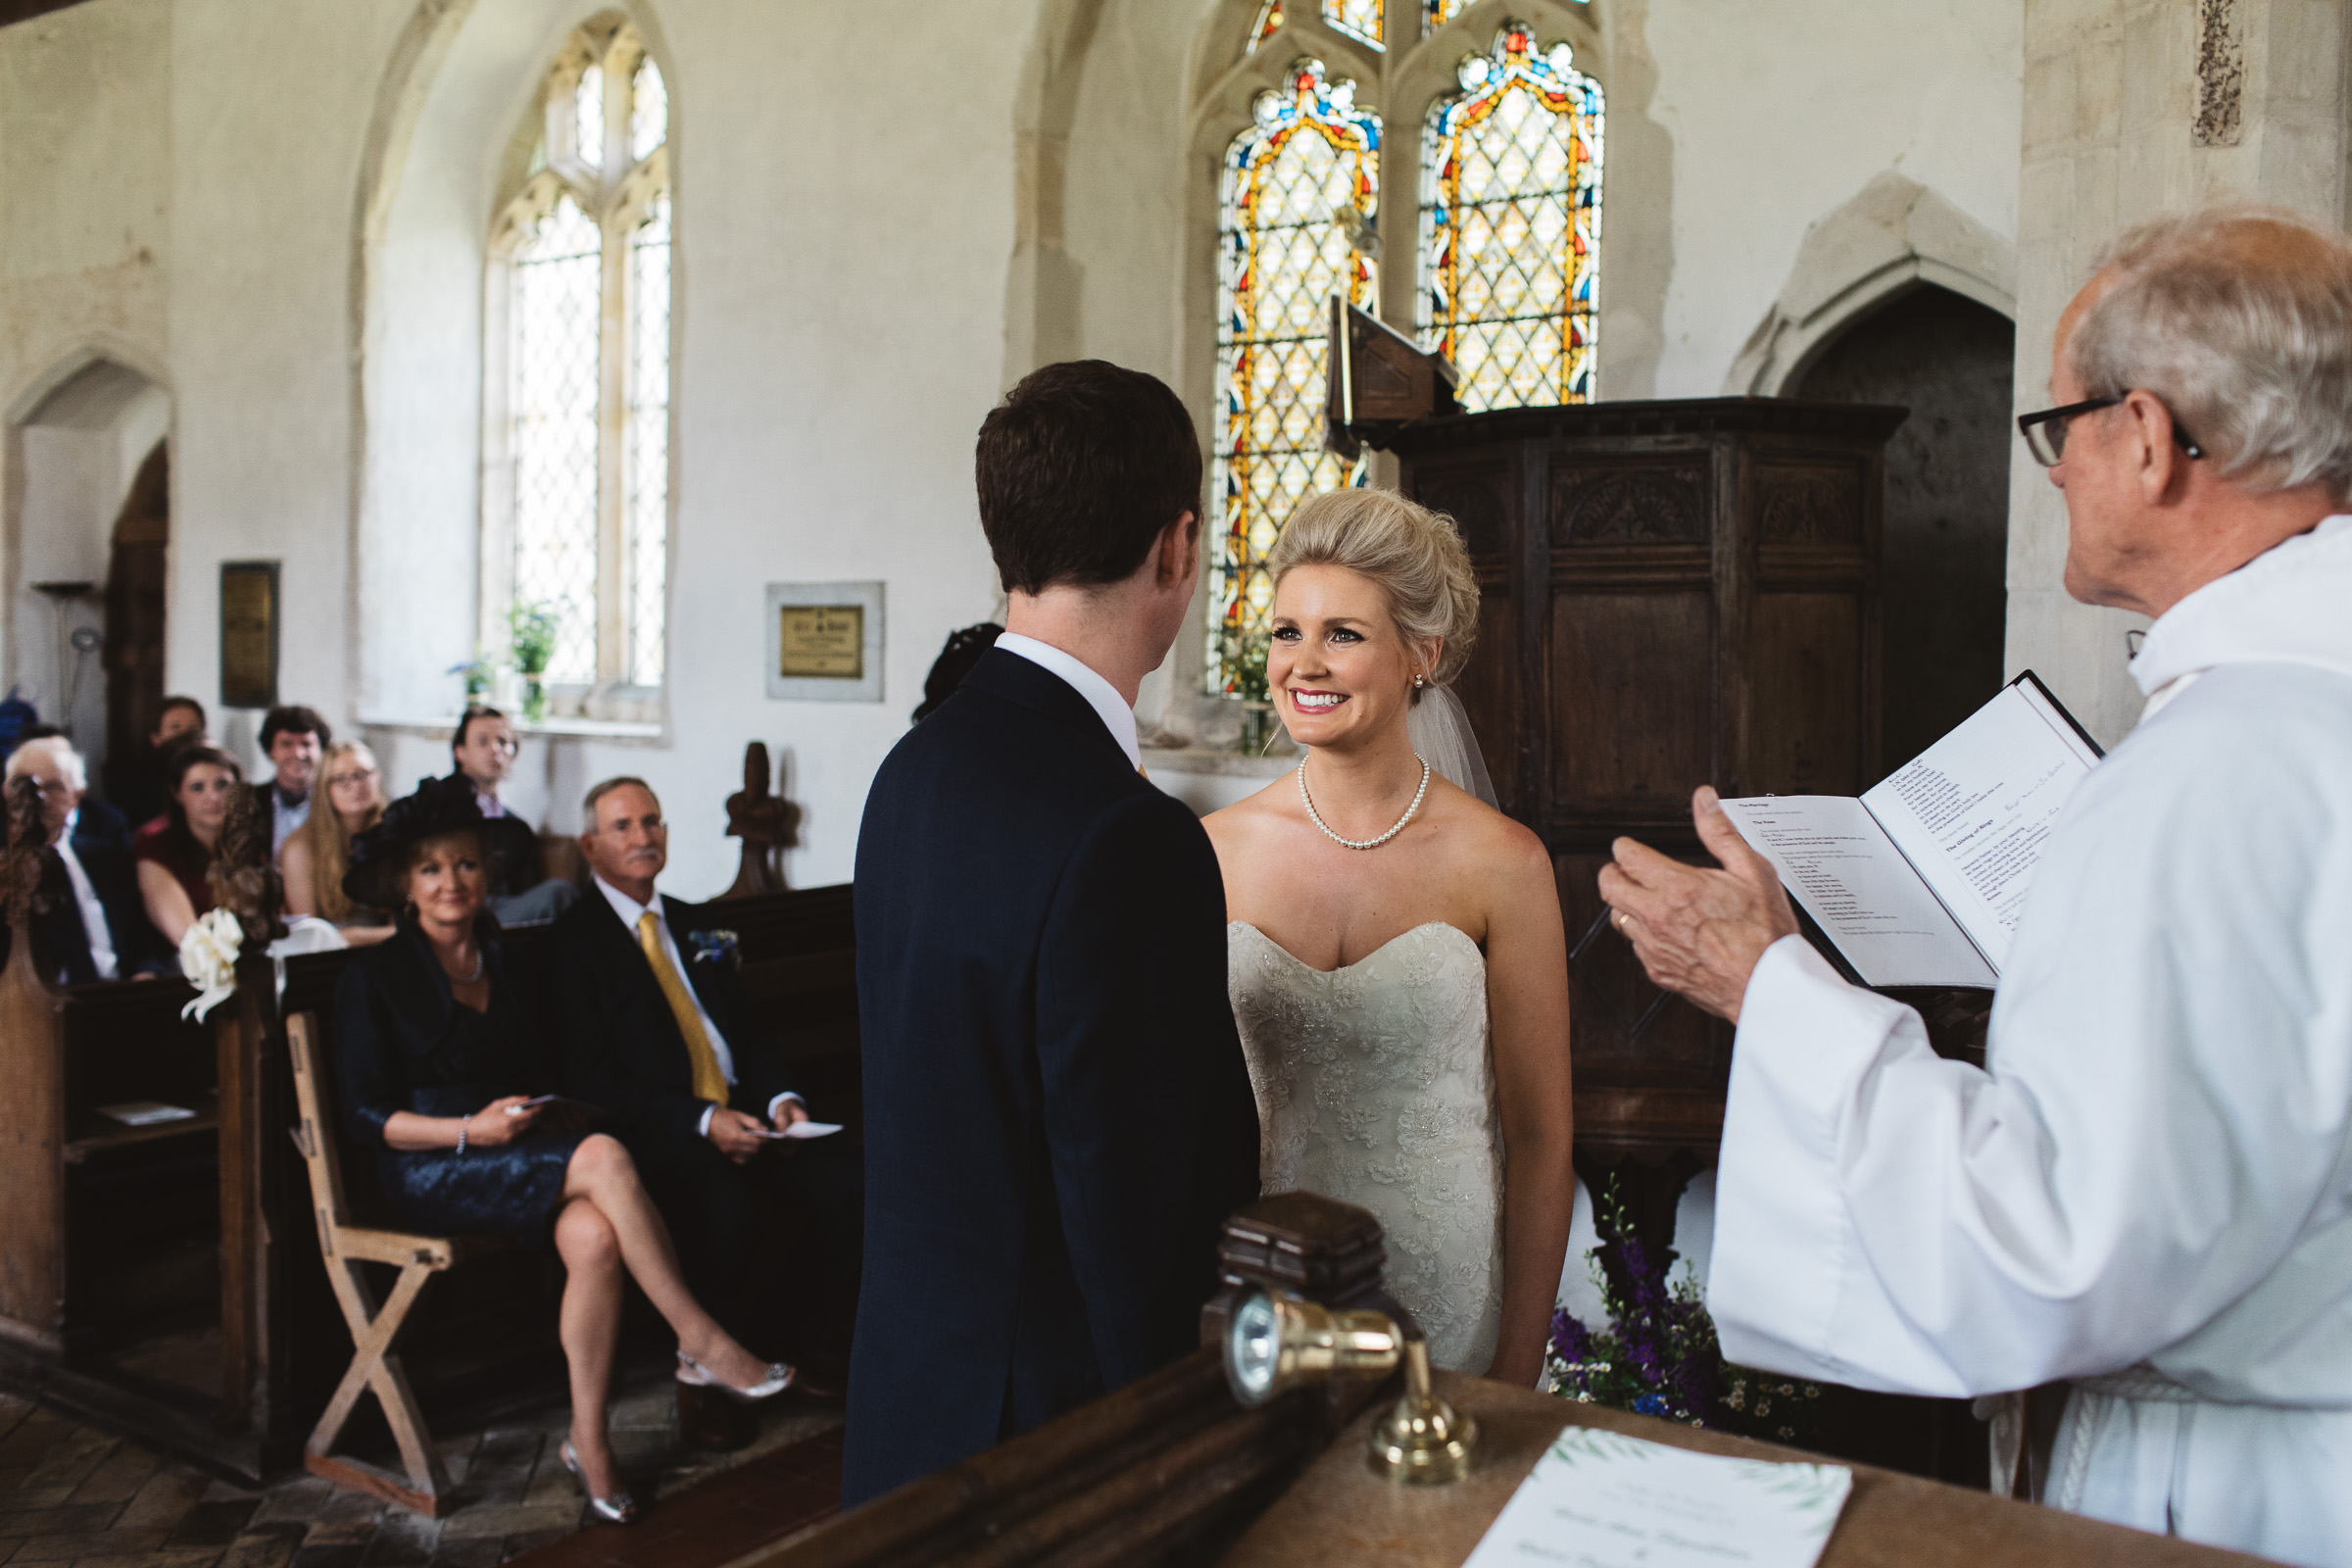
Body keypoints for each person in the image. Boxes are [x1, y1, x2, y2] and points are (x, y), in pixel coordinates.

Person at [1598, 205, 2352, 1566]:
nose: (2056, 469)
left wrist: (1768, 981)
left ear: (2150, 435)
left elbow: (2051, 1248)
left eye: (2061, 425)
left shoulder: (2217, 772)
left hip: (2246, 1495)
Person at [845, 361, 1260, 1505]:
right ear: (1175, 549)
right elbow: (1141, 1213)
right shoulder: (1126, 834)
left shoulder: (911, 769)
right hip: (1055, 1443)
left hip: (907, 1406)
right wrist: (1186, 1453)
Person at [331, 776, 794, 1524]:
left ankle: (589, 1442)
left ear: (486, 876)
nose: (452, 882)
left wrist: (533, 1114)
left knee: (594, 1233)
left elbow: (543, 1069)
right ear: (403, 888)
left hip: (511, 1152)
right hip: (427, 1164)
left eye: (466, 865)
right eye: (431, 870)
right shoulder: (372, 979)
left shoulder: (505, 960)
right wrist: (466, 1132)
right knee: (607, 1157)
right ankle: (700, 1337)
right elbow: (361, 1116)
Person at [1203, 489, 1574, 1383]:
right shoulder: (1212, 853)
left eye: (1343, 634)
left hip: (1447, 1298)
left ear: (1422, 654)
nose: (1304, 663)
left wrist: (1520, 1364)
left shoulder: (1504, 866)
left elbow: (1539, 1137)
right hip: (1266, 1292)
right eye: (1287, 632)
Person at [548, 777, 863, 1393]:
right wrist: (701, 1121)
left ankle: (821, 1350)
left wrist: (781, 1101)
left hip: (746, 1114)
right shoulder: (572, 946)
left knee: (851, 1182)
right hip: (659, 1130)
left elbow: (747, 1034)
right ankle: (705, 1374)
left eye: (653, 821)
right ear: (589, 847)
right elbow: (590, 1077)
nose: (644, 836)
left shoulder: (699, 924)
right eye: (623, 827)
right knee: (727, 1207)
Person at [0, 736, 168, 982]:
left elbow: (143, 938)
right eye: (27, 786)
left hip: (116, 996)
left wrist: (147, 972)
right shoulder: (5, 865)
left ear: (77, 794)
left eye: (54, 786)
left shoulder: (106, 858)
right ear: (6, 792)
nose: (40, 798)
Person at [447, 706, 576, 925]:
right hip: (457, 907)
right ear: (460, 752)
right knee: (559, 893)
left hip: (503, 913)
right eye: (482, 741)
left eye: (503, 742)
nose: (494, 749)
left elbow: (525, 892)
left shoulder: (516, 826)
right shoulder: (440, 808)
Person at [281, 740, 394, 946]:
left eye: (362, 774)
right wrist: (353, 937)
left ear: (377, 777)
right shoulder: (299, 847)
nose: (355, 786)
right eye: (341, 779)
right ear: (325, 788)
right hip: (327, 959)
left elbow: (407, 926)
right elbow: (310, 937)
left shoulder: (395, 836)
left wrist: (355, 936)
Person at [131, 744, 242, 949]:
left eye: (222, 784)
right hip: (192, 965)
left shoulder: (252, 837)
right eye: (197, 787)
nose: (213, 797)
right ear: (177, 793)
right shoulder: (154, 842)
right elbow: (190, 941)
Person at [108, 696, 207, 830]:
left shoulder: (217, 773)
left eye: (192, 729)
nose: (185, 735)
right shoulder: (135, 780)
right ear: (156, 738)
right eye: (175, 728)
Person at [253, 706, 330, 860]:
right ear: (270, 751)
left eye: (306, 744)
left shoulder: (336, 801)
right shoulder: (249, 802)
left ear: (322, 751)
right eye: (286, 744)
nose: (298, 753)